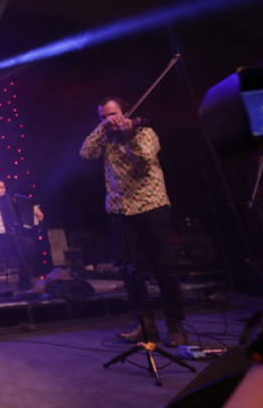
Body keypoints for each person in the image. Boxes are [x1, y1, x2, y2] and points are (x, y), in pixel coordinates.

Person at [79, 96, 187, 347]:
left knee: (163, 266)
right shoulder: (106, 138)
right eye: (103, 116)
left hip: (151, 205)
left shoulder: (145, 133)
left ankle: (175, 324)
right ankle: (145, 323)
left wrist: (130, 137)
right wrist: (102, 128)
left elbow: (145, 161)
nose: (108, 120)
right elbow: (85, 152)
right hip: (120, 209)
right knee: (129, 268)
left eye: (112, 114)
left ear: (126, 113)